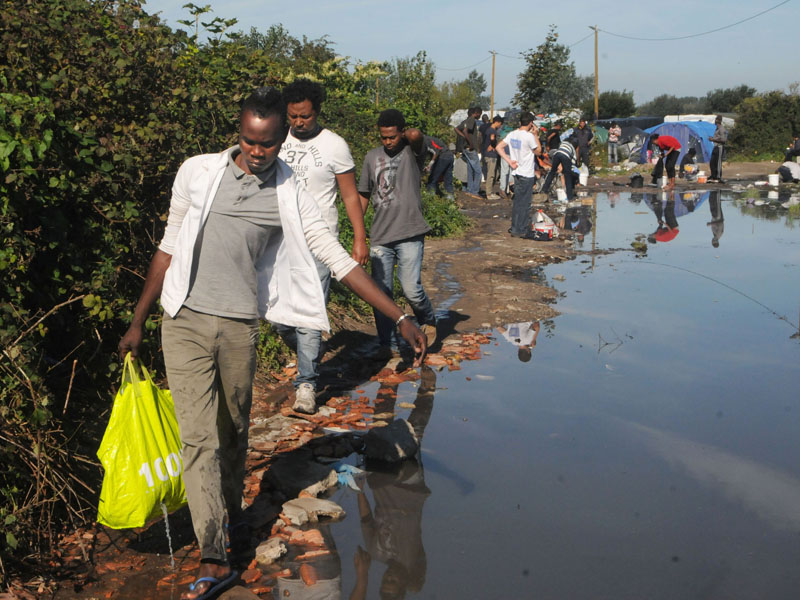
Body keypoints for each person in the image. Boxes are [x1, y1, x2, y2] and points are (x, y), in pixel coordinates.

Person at [117, 87, 427, 600]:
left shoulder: (290, 193)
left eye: (267, 144)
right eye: (248, 141)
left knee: (234, 432)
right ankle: (214, 553)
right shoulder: (197, 172)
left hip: (239, 326)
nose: (256, 152)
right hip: (184, 322)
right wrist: (137, 320)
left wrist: (400, 315)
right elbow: (168, 246)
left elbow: (335, 256)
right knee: (199, 440)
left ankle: (230, 514)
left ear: (284, 137)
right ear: (238, 133)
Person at [274, 78, 368, 414]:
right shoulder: (276, 139)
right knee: (279, 317)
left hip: (318, 242)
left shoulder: (335, 146)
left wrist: (359, 238)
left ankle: (307, 386)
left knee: (310, 315)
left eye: (305, 117)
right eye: (293, 117)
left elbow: (348, 196)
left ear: (317, 112)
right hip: (280, 242)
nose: (298, 123)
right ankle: (308, 352)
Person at [358, 109, 438, 357]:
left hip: (410, 231)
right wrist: (358, 232)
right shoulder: (371, 158)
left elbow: (416, 135)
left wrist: (405, 136)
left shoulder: (412, 153)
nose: (388, 142)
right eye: (383, 137)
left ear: (401, 134)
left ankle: (427, 318)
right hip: (381, 235)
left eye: (392, 136)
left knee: (410, 288)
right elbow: (363, 194)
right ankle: (388, 344)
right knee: (382, 294)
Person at [496, 111, 541, 239]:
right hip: (526, 173)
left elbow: (499, 147)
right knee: (525, 203)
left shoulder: (513, 134)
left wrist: (509, 161)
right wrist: (536, 135)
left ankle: (515, 227)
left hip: (516, 172)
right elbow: (538, 151)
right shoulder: (528, 136)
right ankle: (520, 229)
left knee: (517, 201)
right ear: (531, 123)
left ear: (520, 122)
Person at [454, 106, 483, 197]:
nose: (479, 116)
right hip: (470, 148)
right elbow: (466, 131)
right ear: (477, 113)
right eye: (480, 115)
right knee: (478, 171)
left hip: (464, 148)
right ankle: (475, 191)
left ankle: (470, 189)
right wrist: (470, 143)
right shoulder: (472, 120)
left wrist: (463, 137)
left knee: (470, 169)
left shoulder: (465, 121)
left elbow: (456, 128)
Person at [540, 137, 578, 202]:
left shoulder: (563, 143)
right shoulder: (573, 149)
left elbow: (559, 152)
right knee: (567, 176)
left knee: (552, 172)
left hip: (557, 154)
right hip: (565, 156)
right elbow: (573, 163)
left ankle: (544, 190)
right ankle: (570, 197)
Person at [422, 135, 454, 199]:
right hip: (450, 156)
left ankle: (431, 199)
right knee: (447, 180)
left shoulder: (425, 141)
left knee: (432, 179)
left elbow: (437, 151)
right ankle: (450, 198)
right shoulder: (428, 139)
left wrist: (430, 165)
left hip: (443, 156)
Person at [481, 116, 504, 199]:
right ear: (497, 122)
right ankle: (489, 193)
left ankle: (490, 191)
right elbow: (492, 139)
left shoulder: (489, 130)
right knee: (491, 174)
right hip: (491, 155)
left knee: (495, 173)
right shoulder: (492, 131)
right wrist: (493, 145)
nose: (500, 126)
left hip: (491, 154)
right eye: (500, 124)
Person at [707, 115, 727, 183]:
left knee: (718, 163)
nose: (715, 121)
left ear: (719, 121)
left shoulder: (722, 129)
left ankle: (719, 177)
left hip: (719, 147)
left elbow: (723, 140)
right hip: (715, 147)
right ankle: (713, 175)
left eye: (717, 120)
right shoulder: (717, 129)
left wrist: (713, 139)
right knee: (712, 162)